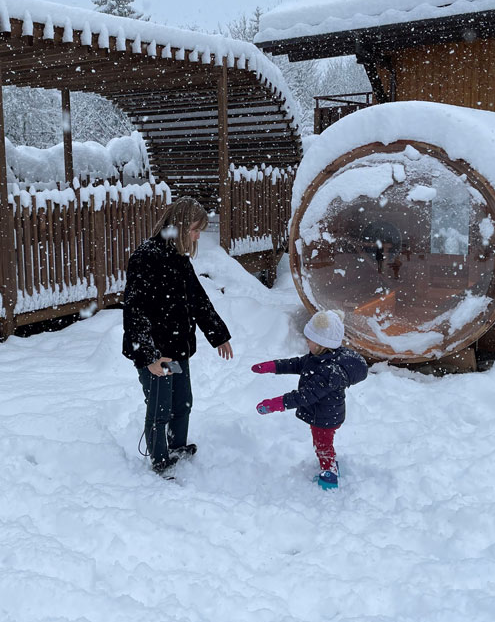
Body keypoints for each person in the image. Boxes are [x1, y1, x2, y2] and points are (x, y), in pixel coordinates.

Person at [123, 196, 233, 477]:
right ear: (181, 226)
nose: (197, 236)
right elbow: (135, 311)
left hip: (176, 351)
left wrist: (218, 335)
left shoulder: (179, 258)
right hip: (157, 355)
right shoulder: (146, 256)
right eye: (195, 229)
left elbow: (197, 299)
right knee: (160, 406)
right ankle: (160, 460)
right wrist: (149, 356)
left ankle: (177, 446)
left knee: (182, 401)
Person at [252, 310, 367, 490]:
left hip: (325, 417)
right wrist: (272, 366)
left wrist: (276, 404)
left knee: (322, 444)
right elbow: (297, 364)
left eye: (310, 339)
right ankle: (329, 464)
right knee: (323, 442)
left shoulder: (328, 372)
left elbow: (304, 396)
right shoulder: (319, 358)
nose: (307, 341)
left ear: (322, 343)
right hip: (326, 412)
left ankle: (329, 474)